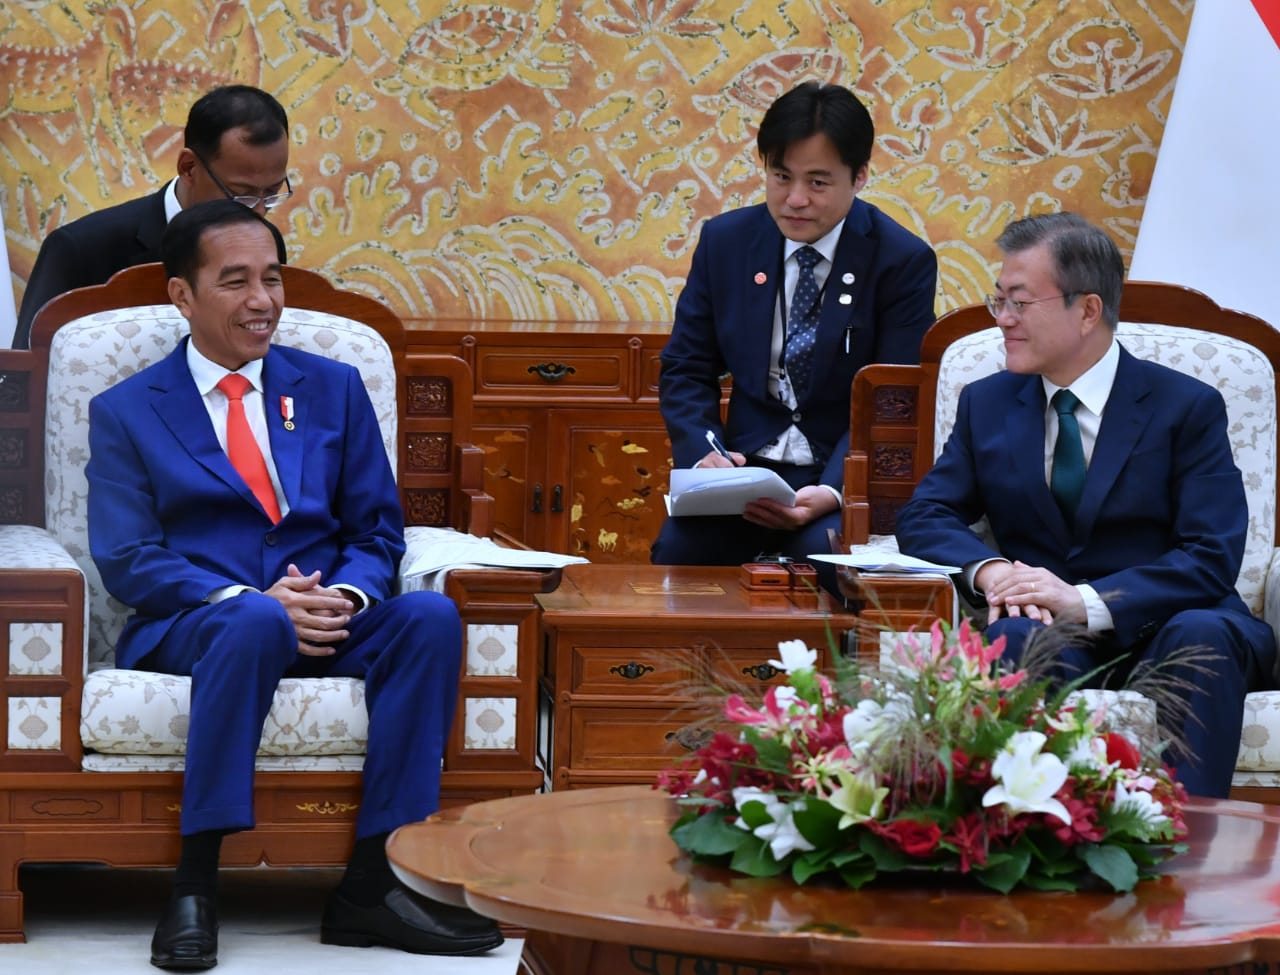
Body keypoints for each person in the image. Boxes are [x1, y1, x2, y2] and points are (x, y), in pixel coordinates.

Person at [85, 199, 502, 970]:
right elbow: (127, 555)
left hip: (325, 613)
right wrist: (249, 599)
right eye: (236, 281)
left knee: (430, 618)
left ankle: (377, 883)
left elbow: (377, 531)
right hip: (200, 625)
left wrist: (344, 596)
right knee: (252, 624)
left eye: (272, 279)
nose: (262, 300)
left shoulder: (332, 388)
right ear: (183, 295)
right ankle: (194, 884)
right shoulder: (126, 410)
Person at [895, 211, 1277, 798]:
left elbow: (1210, 556)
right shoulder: (988, 403)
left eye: (1019, 302)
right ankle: (1027, 842)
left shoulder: (1186, 406)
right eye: (999, 300)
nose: (1003, 319)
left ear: (1088, 309)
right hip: (1046, 631)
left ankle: (1191, 851)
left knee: (1205, 636)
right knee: (1013, 638)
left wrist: (1086, 601)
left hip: (1169, 623)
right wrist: (992, 570)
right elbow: (925, 514)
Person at [652, 80, 937, 594]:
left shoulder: (901, 261)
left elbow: (895, 402)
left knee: (826, 565)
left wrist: (833, 489)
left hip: (837, 482)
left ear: (860, 177)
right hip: (741, 479)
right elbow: (687, 368)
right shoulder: (726, 242)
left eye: (819, 182)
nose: (796, 199)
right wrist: (705, 453)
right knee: (680, 552)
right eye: (781, 177)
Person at [13, 84, 291, 349]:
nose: (258, 212)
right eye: (241, 194)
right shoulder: (81, 248)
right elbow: (26, 375)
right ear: (189, 167)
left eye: (272, 193)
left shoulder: (267, 242)